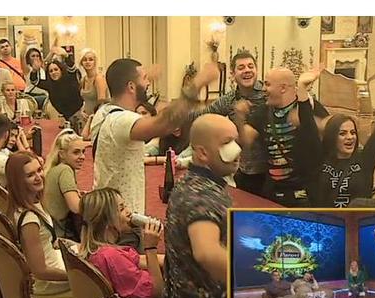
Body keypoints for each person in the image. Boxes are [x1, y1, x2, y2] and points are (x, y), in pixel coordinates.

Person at [163, 113, 259, 298]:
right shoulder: (202, 195)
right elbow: (206, 252)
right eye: (226, 143)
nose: (236, 150)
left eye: (236, 141)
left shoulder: (196, 183)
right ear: (202, 153)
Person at [90, 58, 220, 213]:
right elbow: (165, 123)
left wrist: (141, 77)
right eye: (145, 79)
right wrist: (198, 83)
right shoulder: (121, 120)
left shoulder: (103, 112)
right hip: (121, 218)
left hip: (107, 211)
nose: (148, 83)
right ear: (131, 86)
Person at [314, 69, 375, 207]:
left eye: (353, 132)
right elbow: (307, 133)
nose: (350, 137)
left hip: (359, 217)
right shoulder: (320, 159)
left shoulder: (364, 160)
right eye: (342, 133)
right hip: (327, 218)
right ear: (332, 136)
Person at [234, 66, 325, 207]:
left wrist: (312, 122)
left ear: (283, 88)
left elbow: (332, 131)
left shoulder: (308, 106)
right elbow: (245, 141)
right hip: (274, 195)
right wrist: (240, 118)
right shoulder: (263, 112)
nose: (263, 89)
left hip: (306, 195)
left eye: (267, 84)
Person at [189, 51, 269, 197]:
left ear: (257, 70)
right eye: (241, 67)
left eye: (250, 66)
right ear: (232, 74)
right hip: (242, 170)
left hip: (269, 172)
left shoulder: (267, 95)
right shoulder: (229, 99)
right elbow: (202, 115)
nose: (247, 70)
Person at [79, 188, 164, 298]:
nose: (129, 212)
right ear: (107, 221)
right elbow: (157, 294)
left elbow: (138, 259)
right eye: (122, 209)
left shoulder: (97, 249)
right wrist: (151, 248)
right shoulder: (112, 257)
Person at [6, 151, 71, 298]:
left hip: (53, 262)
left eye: (39, 170)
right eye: (30, 175)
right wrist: (74, 277)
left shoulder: (30, 202)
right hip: (48, 282)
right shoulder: (29, 220)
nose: (38, 177)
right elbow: (40, 271)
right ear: (18, 181)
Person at [43, 129, 86, 241]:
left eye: (83, 152)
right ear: (62, 154)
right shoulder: (65, 170)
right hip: (61, 235)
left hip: (52, 229)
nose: (82, 156)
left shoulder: (53, 169)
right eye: (76, 152)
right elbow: (76, 207)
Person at [29, 47, 83, 124]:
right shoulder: (49, 84)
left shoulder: (70, 78)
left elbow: (72, 68)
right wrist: (34, 70)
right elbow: (35, 81)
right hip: (65, 118)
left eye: (56, 69)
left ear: (61, 70)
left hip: (78, 114)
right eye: (51, 71)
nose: (54, 72)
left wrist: (66, 56)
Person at [79, 49, 108, 116]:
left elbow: (102, 103)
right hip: (86, 117)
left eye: (91, 59)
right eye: (85, 60)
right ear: (81, 63)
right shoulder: (83, 80)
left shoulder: (99, 78)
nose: (87, 62)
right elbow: (85, 101)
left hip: (99, 116)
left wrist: (94, 116)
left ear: (95, 62)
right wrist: (82, 111)